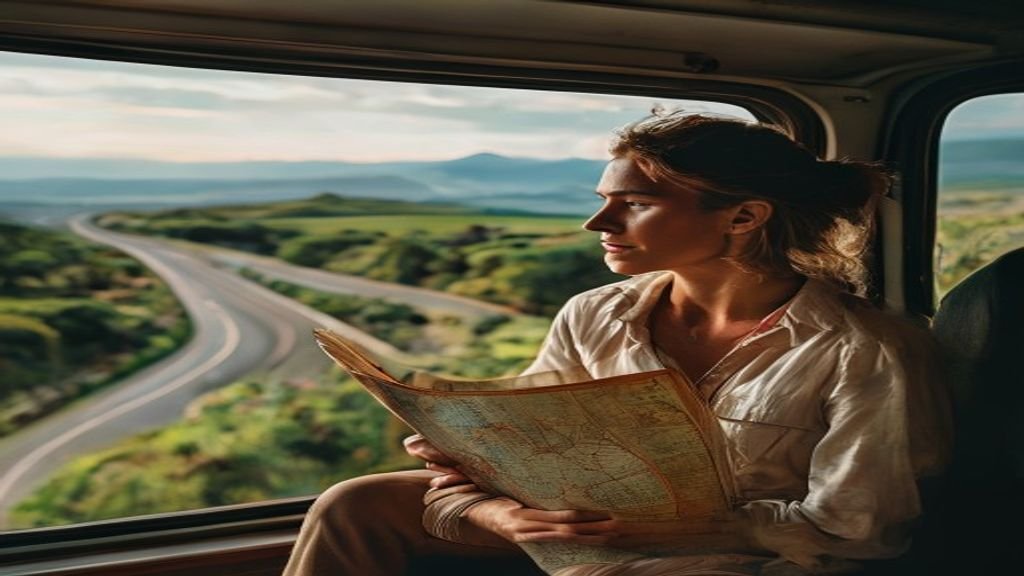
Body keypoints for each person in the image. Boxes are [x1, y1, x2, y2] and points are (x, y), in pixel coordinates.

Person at [281, 113, 951, 576]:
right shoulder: (594, 316)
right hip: (572, 540)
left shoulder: (868, 350)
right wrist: (495, 503)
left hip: (728, 565)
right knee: (356, 504)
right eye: (605, 199)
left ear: (744, 217)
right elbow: (527, 452)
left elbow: (854, 529)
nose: (596, 221)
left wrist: (655, 529)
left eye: (632, 203)